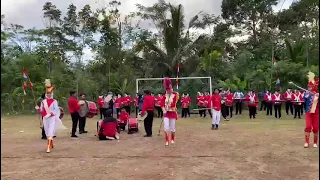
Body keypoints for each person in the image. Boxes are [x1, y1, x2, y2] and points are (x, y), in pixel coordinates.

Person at [36, 79, 60, 153]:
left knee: (50, 131)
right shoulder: (43, 102)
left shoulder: (54, 101)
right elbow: (41, 110)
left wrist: (51, 114)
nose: (49, 94)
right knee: (47, 132)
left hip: (52, 118)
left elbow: (56, 110)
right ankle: (51, 143)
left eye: (50, 93)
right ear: (46, 94)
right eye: (47, 93)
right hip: (45, 118)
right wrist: (38, 109)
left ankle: (48, 147)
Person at [160, 77, 179, 146]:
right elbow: (161, 104)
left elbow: (174, 103)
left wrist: (169, 106)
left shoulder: (175, 95)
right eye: (167, 90)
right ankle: (167, 140)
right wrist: (163, 109)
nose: (168, 91)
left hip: (172, 113)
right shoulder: (164, 96)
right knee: (166, 127)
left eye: (170, 89)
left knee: (173, 128)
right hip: (166, 114)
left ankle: (172, 139)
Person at [303, 72, 319, 148]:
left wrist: (317, 95)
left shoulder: (317, 95)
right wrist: (307, 94)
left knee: (316, 128)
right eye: (308, 87)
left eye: (310, 87)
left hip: (316, 114)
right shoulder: (306, 94)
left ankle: (315, 142)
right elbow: (304, 100)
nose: (309, 88)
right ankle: (306, 142)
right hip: (308, 113)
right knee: (308, 126)